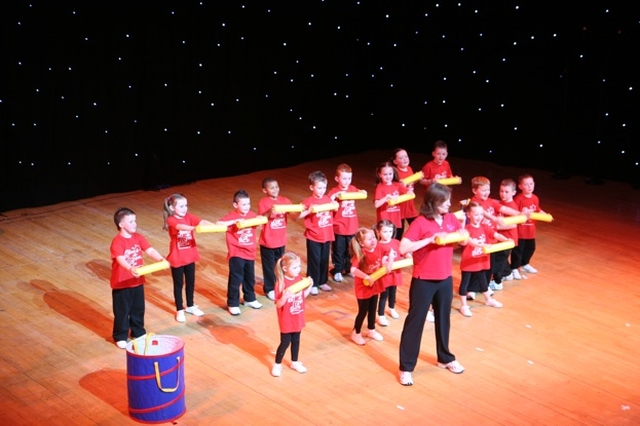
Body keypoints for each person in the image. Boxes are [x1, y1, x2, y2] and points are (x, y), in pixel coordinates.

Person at [398, 183, 465, 385]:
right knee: (415, 323)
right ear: (434, 202)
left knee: (444, 321)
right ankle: (406, 368)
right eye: (445, 202)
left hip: (445, 279)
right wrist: (430, 240)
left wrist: (463, 237)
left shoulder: (451, 218)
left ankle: (445, 358)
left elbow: (462, 239)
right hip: (423, 280)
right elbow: (404, 247)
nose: (449, 205)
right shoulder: (420, 223)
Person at [110, 207, 165, 349]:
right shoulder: (117, 241)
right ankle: (120, 335)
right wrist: (130, 268)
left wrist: (160, 259)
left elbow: (149, 250)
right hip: (122, 283)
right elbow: (120, 258)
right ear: (121, 224)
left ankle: (138, 332)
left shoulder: (138, 237)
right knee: (122, 311)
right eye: (131, 221)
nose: (135, 223)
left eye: (135, 220)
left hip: (137, 281)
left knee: (138, 309)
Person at [466, 176, 523, 298]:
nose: (487, 192)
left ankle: (484, 286)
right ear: (475, 191)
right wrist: (495, 219)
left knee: (488, 266)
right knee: (476, 265)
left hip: (491, 239)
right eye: (483, 190)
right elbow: (483, 213)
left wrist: (520, 214)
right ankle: (471, 289)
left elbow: (503, 208)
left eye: (488, 189)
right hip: (479, 238)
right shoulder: (474, 202)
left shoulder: (491, 201)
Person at [163, 193, 213, 322]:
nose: (185, 208)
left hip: (190, 256)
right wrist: (195, 228)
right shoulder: (171, 219)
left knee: (190, 282)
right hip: (177, 258)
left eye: (186, 205)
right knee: (178, 284)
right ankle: (180, 309)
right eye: (181, 206)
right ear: (172, 208)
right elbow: (180, 227)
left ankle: (190, 305)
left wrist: (214, 226)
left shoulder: (189, 216)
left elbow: (202, 221)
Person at [457, 202, 509, 317]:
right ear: (469, 215)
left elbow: (495, 234)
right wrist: (482, 246)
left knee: (483, 281)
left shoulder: (485, 227)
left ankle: (488, 299)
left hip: (481, 260)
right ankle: (464, 306)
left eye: (481, 214)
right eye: (476, 214)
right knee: (465, 283)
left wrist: (506, 239)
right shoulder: (466, 229)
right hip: (469, 261)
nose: (479, 217)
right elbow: (470, 241)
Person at [217, 190, 264, 315]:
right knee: (236, 278)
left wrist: (260, 220)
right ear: (235, 205)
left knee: (249, 277)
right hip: (236, 252)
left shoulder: (252, 215)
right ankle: (233, 302)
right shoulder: (231, 216)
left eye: (248, 204)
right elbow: (218, 223)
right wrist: (233, 222)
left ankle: (250, 298)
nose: (247, 207)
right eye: (243, 204)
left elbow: (260, 225)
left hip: (250, 252)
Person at [349, 227, 394, 345]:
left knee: (373, 309)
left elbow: (390, 252)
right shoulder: (361, 254)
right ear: (362, 243)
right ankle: (356, 332)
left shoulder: (378, 246)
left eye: (374, 237)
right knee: (363, 311)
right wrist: (366, 277)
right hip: (363, 287)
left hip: (375, 284)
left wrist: (389, 263)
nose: (373, 240)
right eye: (369, 239)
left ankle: (371, 330)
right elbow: (353, 269)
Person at [271, 252, 314, 377]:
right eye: (295, 267)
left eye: (299, 266)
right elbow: (278, 304)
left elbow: (302, 296)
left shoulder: (300, 279)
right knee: (285, 342)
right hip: (286, 319)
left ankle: (295, 362)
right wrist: (284, 297)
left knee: (296, 340)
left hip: (298, 316)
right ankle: (277, 364)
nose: (298, 270)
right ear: (285, 269)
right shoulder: (281, 283)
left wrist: (309, 287)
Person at [327, 163, 366, 283]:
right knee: (339, 250)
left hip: (352, 226)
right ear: (337, 179)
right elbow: (328, 201)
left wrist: (362, 191)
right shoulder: (334, 191)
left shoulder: (352, 189)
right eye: (344, 178)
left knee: (351, 250)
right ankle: (338, 270)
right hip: (339, 227)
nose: (347, 181)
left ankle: (349, 269)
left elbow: (361, 192)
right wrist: (334, 197)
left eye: (349, 178)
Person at [258, 177, 295, 301]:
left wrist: (301, 209)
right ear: (265, 190)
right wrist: (270, 211)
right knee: (269, 267)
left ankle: (280, 285)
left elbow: (294, 215)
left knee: (280, 265)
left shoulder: (285, 200)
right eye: (272, 187)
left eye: (277, 187)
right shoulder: (263, 202)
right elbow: (261, 218)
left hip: (280, 241)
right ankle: (269, 288)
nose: (275, 189)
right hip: (268, 242)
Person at [299, 171, 335, 295]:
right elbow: (299, 215)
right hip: (314, 236)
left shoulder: (327, 199)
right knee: (314, 260)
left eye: (324, 187)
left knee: (324, 259)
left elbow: (335, 208)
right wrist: (309, 210)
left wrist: (335, 205)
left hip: (326, 234)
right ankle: (312, 282)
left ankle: (322, 281)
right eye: (319, 188)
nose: (322, 190)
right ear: (312, 187)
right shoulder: (308, 201)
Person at [511, 173, 547, 277]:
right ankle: (514, 267)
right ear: (520, 186)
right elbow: (515, 212)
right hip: (520, 231)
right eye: (526, 184)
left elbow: (538, 209)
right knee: (518, 251)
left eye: (531, 184)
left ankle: (524, 264)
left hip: (530, 231)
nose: (529, 186)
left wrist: (546, 215)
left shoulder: (535, 198)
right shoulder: (519, 199)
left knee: (530, 248)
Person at [374, 219, 407, 326]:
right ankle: (381, 315)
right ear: (378, 232)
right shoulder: (378, 246)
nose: (388, 234)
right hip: (384, 275)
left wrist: (408, 255)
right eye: (385, 232)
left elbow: (402, 253)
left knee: (393, 292)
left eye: (390, 231)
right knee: (384, 295)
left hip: (395, 273)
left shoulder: (396, 242)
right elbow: (378, 261)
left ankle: (392, 308)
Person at [374, 161, 410, 241]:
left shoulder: (397, 185)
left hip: (396, 220)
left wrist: (409, 190)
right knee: (385, 242)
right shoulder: (380, 187)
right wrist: (385, 198)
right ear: (380, 175)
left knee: (396, 241)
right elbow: (376, 205)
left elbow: (409, 193)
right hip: (385, 222)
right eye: (385, 174)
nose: (388, 176)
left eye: (390, 174)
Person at [495, 179, 519, 284]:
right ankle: (508, 273)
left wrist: (496, 227)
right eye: (501, 191)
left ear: (513, 192)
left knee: (499, 260)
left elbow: (513, 224)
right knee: (500, 258)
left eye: (506, 192)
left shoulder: (512, 206)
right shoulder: (500, 204)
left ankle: (497, 281)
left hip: (508, 238)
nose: (503, 194)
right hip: (501, 238)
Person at [391, 148, 419, 239]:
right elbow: (394, 187)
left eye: (406, 156)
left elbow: (411, 183)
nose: (405, 159)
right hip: (400, 207)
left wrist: (417, 178)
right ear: (395, 161)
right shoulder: (395, 173)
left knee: (417, 226)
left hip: (410, 206)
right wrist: (403, 187)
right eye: (401, 158)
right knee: (399, 232)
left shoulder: (410, 169)